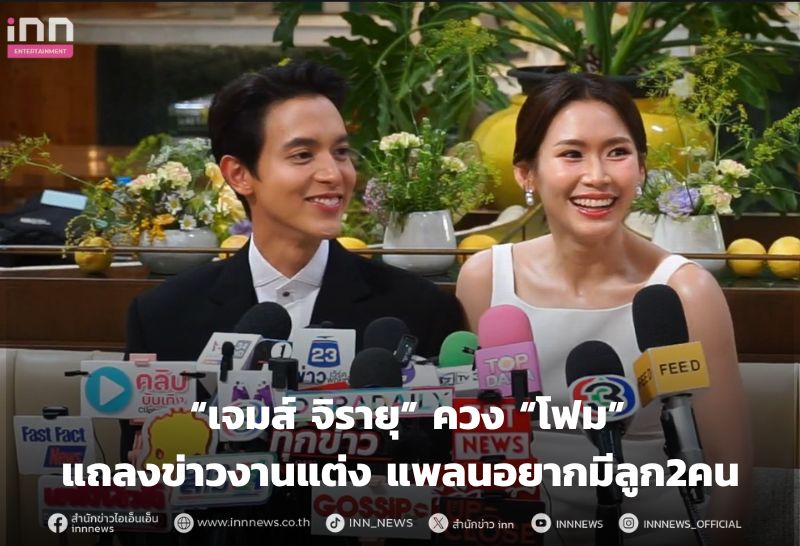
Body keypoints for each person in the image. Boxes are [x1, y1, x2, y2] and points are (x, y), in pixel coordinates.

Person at [122, 60, 464, 544]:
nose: (334, 174)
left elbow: (444, 486)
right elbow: (139, 497)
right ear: (240, 174)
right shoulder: (163, 315)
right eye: (303, 155)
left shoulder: (418, 310)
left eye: (341, 152)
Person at [456, 72, 752, 545]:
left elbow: (729, 468)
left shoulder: (686, 290)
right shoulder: (485, 279)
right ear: (526, 173)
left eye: (617, 152)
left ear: (642, 169)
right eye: (572, 154)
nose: (598, 176)